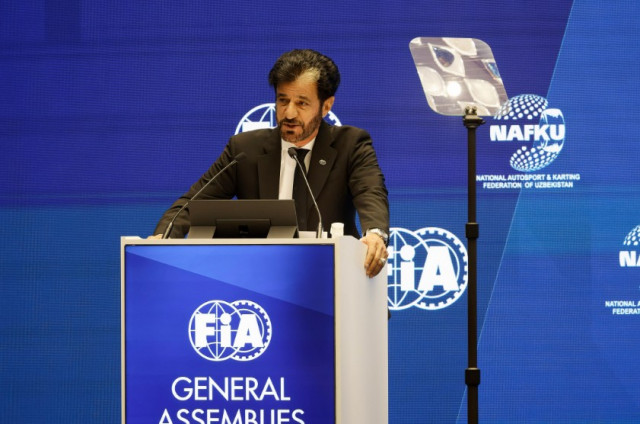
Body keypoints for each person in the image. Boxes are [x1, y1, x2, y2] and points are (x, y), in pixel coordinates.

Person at [152, 49, 389, 277]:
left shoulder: (350, 144)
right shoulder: (245, 150)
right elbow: (191, 205)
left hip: (332, 278)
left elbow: (371, 192)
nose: (289, 113)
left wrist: (375, 234)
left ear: (326, 106)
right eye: (283, 100)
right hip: (261, 281)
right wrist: (163, 237)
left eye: (302, 103)